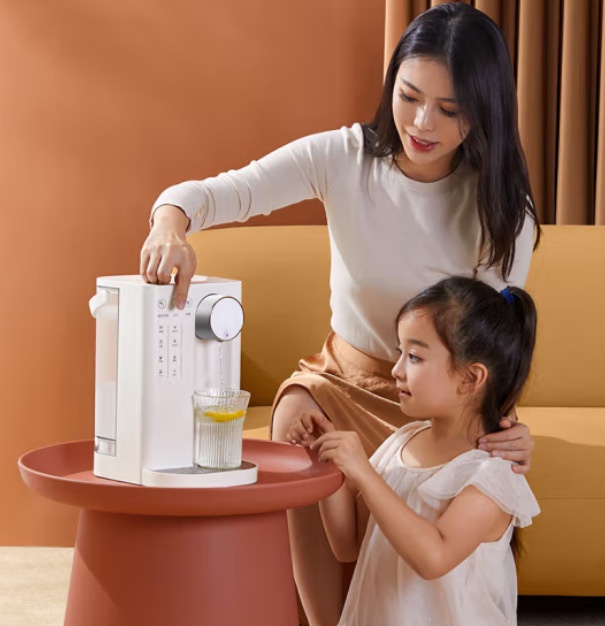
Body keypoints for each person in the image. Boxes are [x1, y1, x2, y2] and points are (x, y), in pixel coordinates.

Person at [140, 3, 540, 623]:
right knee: (294, 416)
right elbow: (221, 192)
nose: (422, 122)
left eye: (450, 109)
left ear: (484, 109)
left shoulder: (502, 211)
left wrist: (507, 426)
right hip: (341, 384)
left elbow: (490, 345)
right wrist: (170, 225)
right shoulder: (345, 157)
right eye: (409, 96)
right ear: (391, 84)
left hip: (441, 407)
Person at [287, 276, 540, 626]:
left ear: (470, 378)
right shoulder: (402, 442)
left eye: (415, 357)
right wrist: (327, 459)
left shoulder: (491, 476)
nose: (396, 370)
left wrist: (364, 473)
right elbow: (348, 545)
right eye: (400, 353)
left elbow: (434, 557)